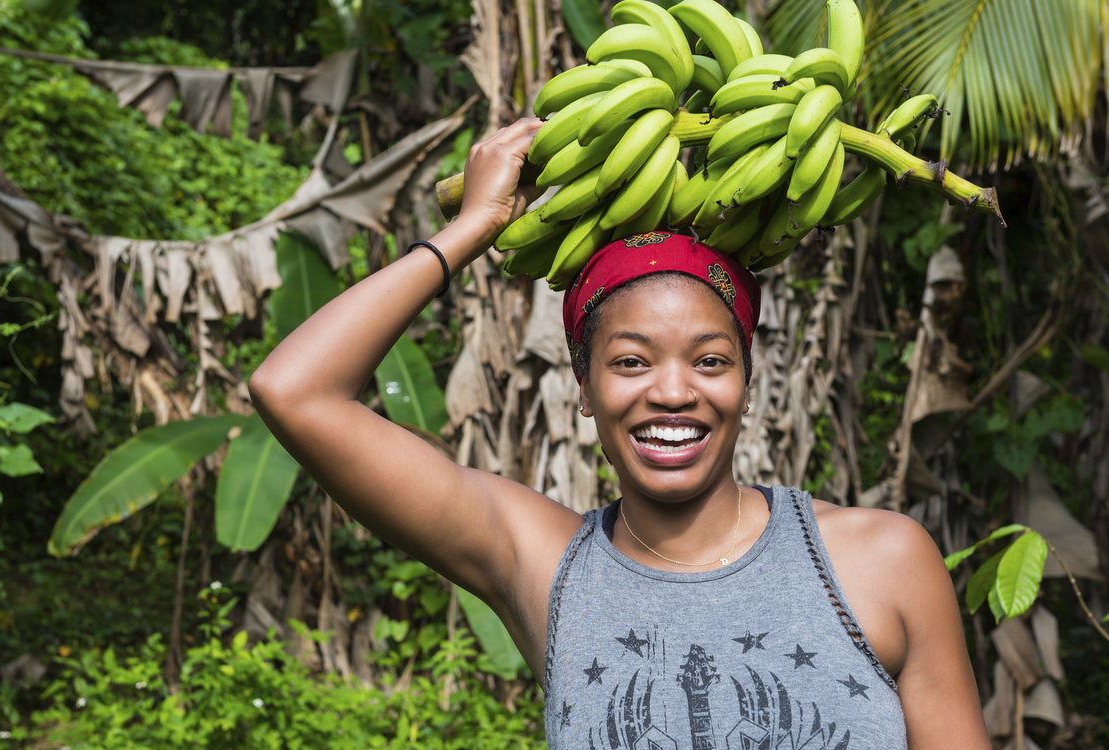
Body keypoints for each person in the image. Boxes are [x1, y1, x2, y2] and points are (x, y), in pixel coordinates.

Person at [248, 119, 991, 750]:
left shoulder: (880, 561)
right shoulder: (546, 567)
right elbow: (294, 391)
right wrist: (469, 231)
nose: (673, 392)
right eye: (631, 361)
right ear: (583, 388)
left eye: (709, 360)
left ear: (745, 379)